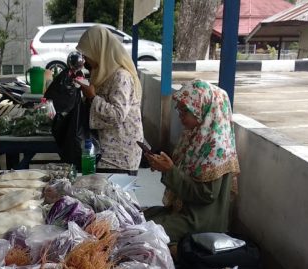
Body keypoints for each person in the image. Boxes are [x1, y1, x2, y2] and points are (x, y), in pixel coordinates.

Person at [144, 80, 240, 243]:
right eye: (179, 110)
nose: (180, 116)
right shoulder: (195, 137)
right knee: (138, 216)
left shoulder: (217, 147)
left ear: (203, 109)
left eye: (185, 111)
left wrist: (170, 170)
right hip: (184, 211)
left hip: (201, 221)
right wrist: (164, 167)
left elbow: (205, 195)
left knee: (143, 231)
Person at [76, 25, 144, 172]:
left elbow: (117, 114)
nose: (84, 60)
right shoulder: (102, 73)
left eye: (86, 54)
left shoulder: (121, 76)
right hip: (105, 149)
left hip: (120, 155)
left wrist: (92, 97)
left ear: (98, 51)